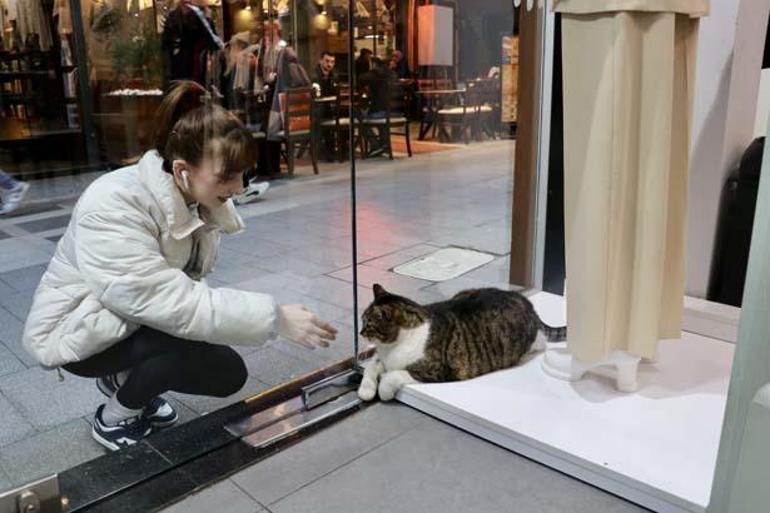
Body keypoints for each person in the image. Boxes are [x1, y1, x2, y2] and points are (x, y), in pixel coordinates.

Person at [22, 81, 338, 451]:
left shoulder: (193, 198)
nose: (238, 188)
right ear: (183, 170)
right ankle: (113, 418)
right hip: (77, 330)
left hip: (125, 317)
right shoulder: (113, 203)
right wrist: (274, 318)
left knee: (212, 362)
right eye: (227, 177)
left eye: (242, 174)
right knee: (219, 368)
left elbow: (173, 295)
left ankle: (125, 381)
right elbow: (160, 299)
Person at [358, 57, 393, 157]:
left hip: (381, 112)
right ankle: (385, 146)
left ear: (373, 64)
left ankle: (375, 146)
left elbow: (361, 78)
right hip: (396, 111)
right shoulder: (392, 74)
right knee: (382, 111)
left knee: (358, 116)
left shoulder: (372, 75)